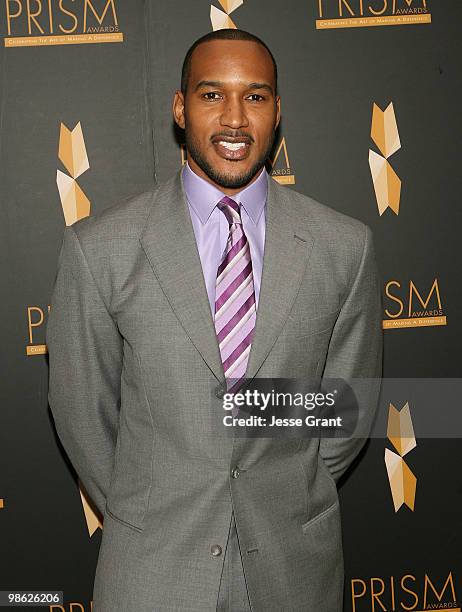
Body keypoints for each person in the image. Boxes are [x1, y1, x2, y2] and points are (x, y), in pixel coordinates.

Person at [46, 28, 383, 612]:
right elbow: (82, 413)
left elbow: (346, 408)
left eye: (254, 97)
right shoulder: (101, 249)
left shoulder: (342, 246)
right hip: (153, 571)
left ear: (277, 111)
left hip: (293, 570)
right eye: (211, 95)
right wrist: (147, 506)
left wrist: (283, 491)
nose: (234, 119)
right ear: (180, 108)